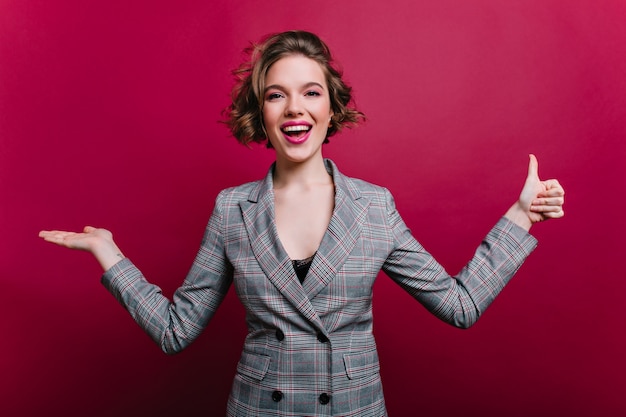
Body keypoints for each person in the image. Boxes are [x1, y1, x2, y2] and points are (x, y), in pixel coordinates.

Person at [39, 30, 565, 417]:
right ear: (261, 112)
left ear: (332, 107)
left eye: (311, 92)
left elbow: (460, 305)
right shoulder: (232, 210)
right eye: (276, 94)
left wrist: (521, 215)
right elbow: (177, 331)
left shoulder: (373, 207)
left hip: (353, 409)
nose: (295, 108)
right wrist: (108, 253)